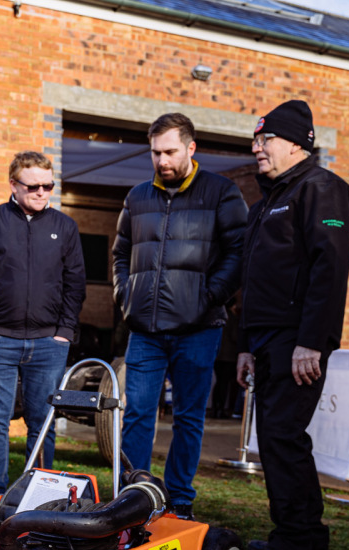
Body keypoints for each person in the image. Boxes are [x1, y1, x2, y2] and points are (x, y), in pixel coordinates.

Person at [235, 100, 349, 550]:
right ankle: (304, 535)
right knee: (276, 436)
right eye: (256, 140)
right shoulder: (266, 201)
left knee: (283, 436)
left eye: (266, 141)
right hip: (265, 339)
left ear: (296, 144)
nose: (257, 149)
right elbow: (253, 276)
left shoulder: (323, 190)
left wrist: (312, 340)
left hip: (295, 339)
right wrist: (244, 343)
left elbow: (330, 268)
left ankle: (296, 539)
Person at [111, 113, 248, 518]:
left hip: (199, 328)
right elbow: (120, 254)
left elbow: (238, 254)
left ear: (190, 148)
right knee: (136, 415)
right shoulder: (137, 197)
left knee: (188, 418)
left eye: (170, 151)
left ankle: (180, 501)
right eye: (155, 153)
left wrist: (205, 297)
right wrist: (126, 296)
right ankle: (131, 497)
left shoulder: (222, 193)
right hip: (145, 330)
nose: (162, 161)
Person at [0, 151, 86, 492]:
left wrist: (64, 332)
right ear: (13, 184)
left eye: (48, 186)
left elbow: (76, 282)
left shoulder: (65, 227)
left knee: (43, 423)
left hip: (48, 343)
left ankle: (38, 495)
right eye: (33, 186)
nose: (41, 192)